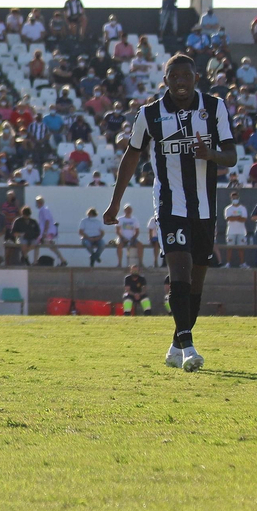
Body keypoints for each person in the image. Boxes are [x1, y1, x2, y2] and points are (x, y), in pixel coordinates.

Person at [103, 53, 236, 373]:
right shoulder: (149, 114)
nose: (180, 82)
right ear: (165, 80)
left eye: (185, 76)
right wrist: (115, 201)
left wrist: (210, 154)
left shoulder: (215, 107)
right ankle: (189, 347)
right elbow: (131, 158)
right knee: (180, 269)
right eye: (173, 77)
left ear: (196, 78)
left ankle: (177, 345)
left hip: (205, 208)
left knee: (196, 283)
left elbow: (231, 156)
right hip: (170, 206)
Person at [34, 195, 67, 266]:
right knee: (49, 247)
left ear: (39, 202)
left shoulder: (44, 210)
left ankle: (35, 262)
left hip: (47, 232)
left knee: (42, 245)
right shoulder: (44, 210)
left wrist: (44, 233)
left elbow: (47, 221)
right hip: (46, 232)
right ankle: (62, 260)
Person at [223, 190, 249, 268]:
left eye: (236, 197)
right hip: (231, 231)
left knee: (241, 248)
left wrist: (234, 218)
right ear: (231, 199)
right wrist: (238, 217)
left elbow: (244, 219)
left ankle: (242, 263)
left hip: (241, 231)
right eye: (233, 198)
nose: (235, 199)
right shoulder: (228, 208)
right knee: (229, 248)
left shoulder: (243, 208)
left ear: (238, 198)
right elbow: (228, 218)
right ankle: (228, 263)